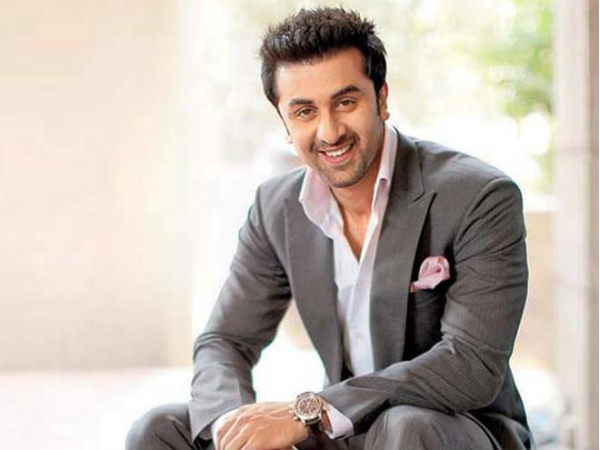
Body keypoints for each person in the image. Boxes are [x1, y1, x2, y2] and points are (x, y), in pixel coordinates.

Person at [126, 7, 532, 450]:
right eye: (304, 111)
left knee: (406, 426)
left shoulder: (478, 196)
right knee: (159, 428)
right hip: (346, 434)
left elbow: (471, 364)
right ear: (285, 123)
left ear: (381, 99)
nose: (329, 131)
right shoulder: (277, 208)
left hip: (454, 430)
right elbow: (225, 340)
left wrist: (313, 410)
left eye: (345, 102)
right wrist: (233, 429)